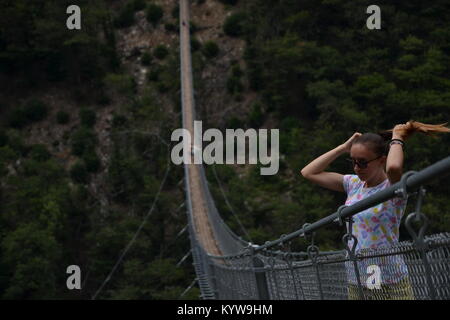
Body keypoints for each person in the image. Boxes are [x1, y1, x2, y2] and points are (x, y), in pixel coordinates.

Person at [300, 121, 450, 300]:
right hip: (356, 276)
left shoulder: (392, 188)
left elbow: (394, 167)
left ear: (381, 160)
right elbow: (308, 172)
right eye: (353, 161)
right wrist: (343, 147)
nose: (356, 168)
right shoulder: (353, 184)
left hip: (387, 278)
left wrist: (397, 136)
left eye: (362, 163)